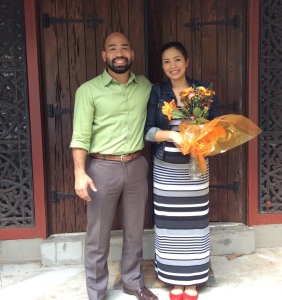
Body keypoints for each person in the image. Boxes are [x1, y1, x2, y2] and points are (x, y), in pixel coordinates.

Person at [70, 32, 158, 300]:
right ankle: (96, 292)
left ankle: (133, 282)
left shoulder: (146, 86)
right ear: (104, 56)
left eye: (124, 48)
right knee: (97, 236)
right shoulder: (88, 90)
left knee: (134, 230)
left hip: (136, 165)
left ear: (132, 54)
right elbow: (80, 136)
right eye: (112, 48)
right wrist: (79, 173)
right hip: (101, 168)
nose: (119, 53)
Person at [144, 42, 220, 300]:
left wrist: (201, 135)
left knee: (195, 222)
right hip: (167, 170)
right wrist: (174, 136)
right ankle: (174, 278)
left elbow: (217, 128)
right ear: (163, 66)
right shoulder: (158, 92)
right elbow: (149, 132)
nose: (172, 66)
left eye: (177, 59)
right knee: (169, 223)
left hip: (195, 168)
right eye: (166, 61)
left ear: (186, 62)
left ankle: (193, 279)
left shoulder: (203, 91)